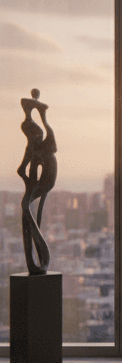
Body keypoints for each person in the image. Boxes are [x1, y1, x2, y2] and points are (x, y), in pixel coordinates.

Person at [17, 89, 57, 276]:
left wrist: (41, 113)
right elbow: (24, 164)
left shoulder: (44, 141)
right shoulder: (34, 146)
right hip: (43, 179)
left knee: (27, 205)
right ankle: (38, 261)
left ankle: (39, 259)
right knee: (27, 206)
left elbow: (47, 132)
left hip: (48, 178)